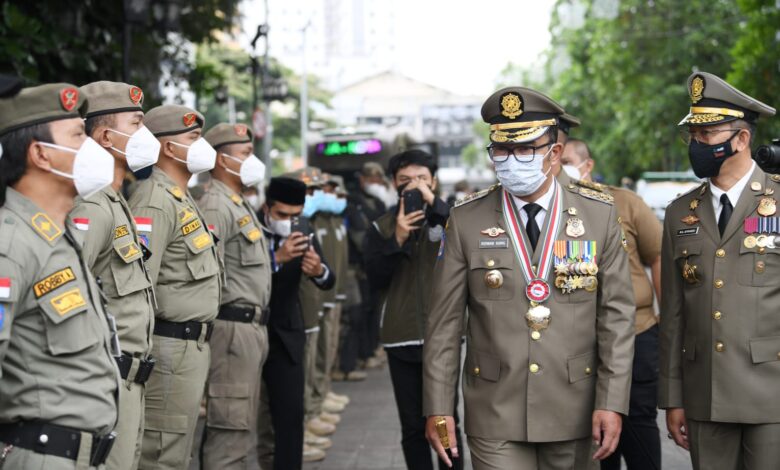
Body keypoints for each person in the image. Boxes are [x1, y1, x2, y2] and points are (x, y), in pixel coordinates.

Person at [423, 86, 636, 470]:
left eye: (524, 150)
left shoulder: (597, 215)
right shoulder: (466, 219)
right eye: (501, 150)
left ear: (554, 153)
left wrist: (612, 401)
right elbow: (444, 325)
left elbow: (617, 320)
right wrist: (439, 407)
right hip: (494, 410)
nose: (510, 160)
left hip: (575, 407)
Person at [660, 71, 779, 470]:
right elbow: (674, 313)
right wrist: (673, 396)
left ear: (741, 139)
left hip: (772, 393)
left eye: (706, 134)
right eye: (692, 135)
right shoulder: (680, 213)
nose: (696, 144)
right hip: (704, 394)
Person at [0, 83, 120, 469]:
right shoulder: (11, 243)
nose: (92, 147)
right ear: (40, 154)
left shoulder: (58, 235)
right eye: (78, 135)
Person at [70, 81, 158, 470]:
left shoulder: (117, 201)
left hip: (131, 381)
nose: (147, 135)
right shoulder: (92, 206)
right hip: (106, 380)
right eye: (137, 124)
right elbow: (71, 293)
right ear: (106, 136)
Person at [127, 105, 221, 470]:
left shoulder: (181, 198)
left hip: (189, 347)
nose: (202, 146)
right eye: (193, 138)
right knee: (161, 453)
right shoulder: (155, 201)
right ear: (167, 147)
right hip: (168, 348)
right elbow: (140, 283)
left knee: (178, 449)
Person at [561, 139, 663, 470]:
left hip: (635, 334)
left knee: (638, 433)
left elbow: (657, 257)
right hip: (578, 345)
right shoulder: (550, 209)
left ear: (587, 166)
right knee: (591, 440)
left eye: (566, 160)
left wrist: (669, 329)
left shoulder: (624, 203)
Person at [365, 149, 463, 470]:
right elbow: (375, 277)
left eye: (422, 178)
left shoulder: (452, 220)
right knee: (412, 427)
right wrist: (398, 238)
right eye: (406, 180)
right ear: (394, 184)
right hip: (401, 336)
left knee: (446, 422)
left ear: (433, 180)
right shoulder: (381, 226)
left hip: (443, 336)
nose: (414, 185)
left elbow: (468, 242)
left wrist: (434, 205)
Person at [196, 122, 271, 469]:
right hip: (231, 329)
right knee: (229, 430)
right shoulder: (215, 206)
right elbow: (210, 274)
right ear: (223, 161)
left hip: (249, 329)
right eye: (245, 154)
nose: (252, 160)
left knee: (242, 430)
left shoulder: (237, 203)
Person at [256, 177, 335, 470]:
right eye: (282, 215)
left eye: (295, 215)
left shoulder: (304, 230)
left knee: (290, 417)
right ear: (267, 207)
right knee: (243, 417)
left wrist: (319, 270)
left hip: (286, 334)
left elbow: (328, 279)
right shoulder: (250, 228)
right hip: (249, 330)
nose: (289, 222)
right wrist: (276, 259)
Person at [335, 162, 390, 381]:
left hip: (374, 263)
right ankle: (354, 360)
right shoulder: (354, 203)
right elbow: (360, 236)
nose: (375, 183)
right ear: (362, 179)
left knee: (371, 311)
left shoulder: (377, 202)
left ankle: (367, 352)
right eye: (371, 179)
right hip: (359, 267)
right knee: (357, 315)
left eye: (378, 179)